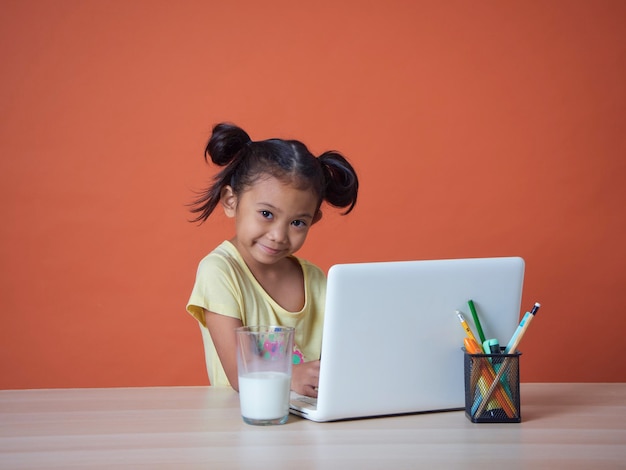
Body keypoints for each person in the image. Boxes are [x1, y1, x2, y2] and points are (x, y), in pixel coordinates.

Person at [186, 123, 359, 397]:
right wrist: (293, 374)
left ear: (313, 221)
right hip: (242, 418)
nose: (279, 235)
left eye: (298, 222)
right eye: (266, 214)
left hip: (307, 417)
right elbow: (237, 372)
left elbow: (340, 353)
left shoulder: (314, 278)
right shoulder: (219, 270)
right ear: (231, 201)